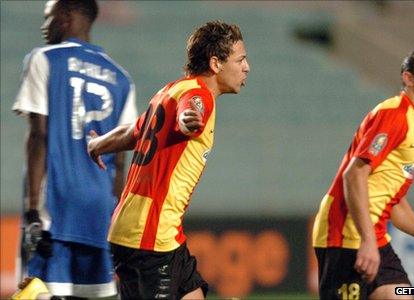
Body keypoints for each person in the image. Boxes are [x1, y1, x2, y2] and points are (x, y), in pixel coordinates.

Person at [87, 20, 250, 299]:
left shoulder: (169, 91)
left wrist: (96, 144)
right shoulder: (199, 96)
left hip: (142, 230)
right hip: (151, 237)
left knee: (193, 293)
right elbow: (190, 113)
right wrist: (189, 122)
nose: (247, 67)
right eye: (241, 59)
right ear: (215, 63)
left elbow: (133, 132)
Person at [312, 44, 414, 300]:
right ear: (409, 78)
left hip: (374, 236)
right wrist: (367, 242)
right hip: (346, 235)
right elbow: (354, 174)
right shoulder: (396, 114)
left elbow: (392, 202)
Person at [11, 0, 137, 298]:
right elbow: (121, 161)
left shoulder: (44, 59)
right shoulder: (122, 79)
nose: (44, 27)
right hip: (100, 211)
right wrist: (116, 222)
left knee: (36, 292)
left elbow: (39, 136)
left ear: (66, 17)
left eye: (48, 18)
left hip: (57, 207)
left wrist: (32, 211)